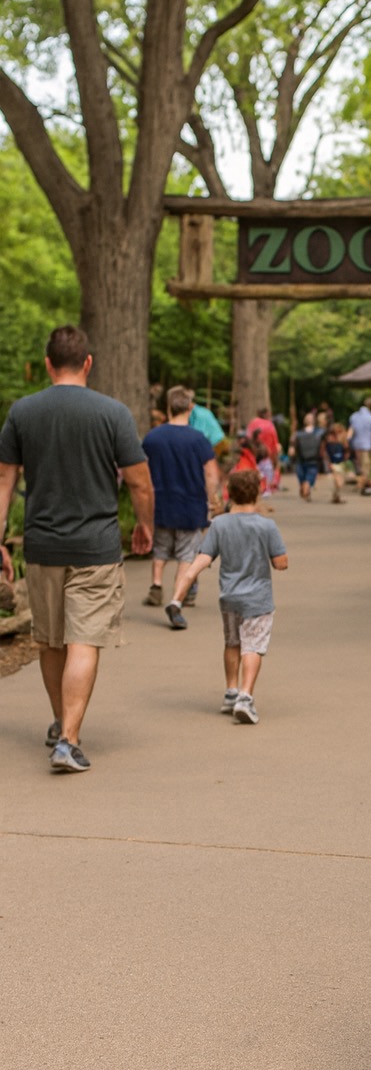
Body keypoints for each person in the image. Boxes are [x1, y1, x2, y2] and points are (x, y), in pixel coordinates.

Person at [0, 324, 154, 773]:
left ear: (48, 364)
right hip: (96, 547)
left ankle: (60, 721)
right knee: (83, 641)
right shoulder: (113, 413)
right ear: (88, 362)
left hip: (43, 545)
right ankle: (68, 739)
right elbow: (140, 481)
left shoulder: (23, 411)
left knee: (51, 641)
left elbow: (4, 479)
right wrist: (146, 525)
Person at [167, 467, 287, 724]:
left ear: (230, 494)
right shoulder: (266, 526)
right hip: (257, 599)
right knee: (253, 647)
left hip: (229, 597)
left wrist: (179, 594)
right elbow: (280, 563)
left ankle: (231, 691)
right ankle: (245, 696)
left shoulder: (219, 524)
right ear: (257, 493)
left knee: (232, 643)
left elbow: (201, 560)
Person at [141, 383, 221, 614]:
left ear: (168, 408)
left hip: (161, 503)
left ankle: (156, 585)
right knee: (187, 553)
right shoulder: (198, 439)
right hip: (191, 504)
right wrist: (212, 498)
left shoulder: (152, 438)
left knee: (161, 547)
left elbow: (143, 471)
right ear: (190, 407)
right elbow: (211, 473)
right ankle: (178, 596)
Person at [347, 396, 371, 495]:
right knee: (368, 468)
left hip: (356, 446)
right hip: (367, 446)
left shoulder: (354, 416)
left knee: (360, 467)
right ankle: (365, 487)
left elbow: (351, 431)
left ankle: (362, 484)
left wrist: (348, 444)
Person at [290, 412, 325, 501]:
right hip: (305, 460)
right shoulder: (300, 433)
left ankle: (306, 488)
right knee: (304, 478)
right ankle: (306, 488)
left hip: (309, 460)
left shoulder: (318, 432)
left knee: (307, 478)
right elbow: (292, 443)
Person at [324, 424, 349, 504]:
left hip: (340, 463)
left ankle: (336, 496)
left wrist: (345, 460)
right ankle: (336, 496)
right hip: (333, 464)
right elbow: (326, 454)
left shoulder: (342, 442)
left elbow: (346, 451)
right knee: (337, 481)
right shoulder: (328, 444)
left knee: (339, 482)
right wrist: (328, 463)